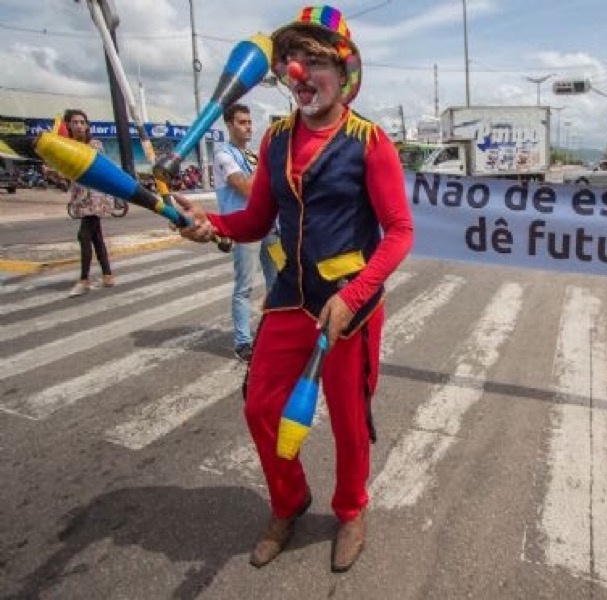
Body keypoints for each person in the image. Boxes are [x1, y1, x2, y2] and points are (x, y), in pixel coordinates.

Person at [175, 5, 413, 573]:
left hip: (349, 305)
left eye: (315, 60)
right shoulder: (278, 139)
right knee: (260, 406)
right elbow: (255, 220)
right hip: (289, 296)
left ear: (345, 70)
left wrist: (354, 297)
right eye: (292, 60)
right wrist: (211, 225)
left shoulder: (369, 140)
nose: (300, 71)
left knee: (351, 421)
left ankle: (351, 510)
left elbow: (400, 232)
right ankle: (289, 500)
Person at [214, 102, 279, 361]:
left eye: (250, 122)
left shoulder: (251, 155)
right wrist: (266, 161)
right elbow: (247, 189)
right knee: (244, 287)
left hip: (270, 227)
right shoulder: (224, 155)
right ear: (229, 125)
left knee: (278, 283)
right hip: (245, 228)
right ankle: (243, 342)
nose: (248, 127)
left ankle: (273, 332)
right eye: (242, 122)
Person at [63, 109, 115, 297]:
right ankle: (108, 274)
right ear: (68, 125)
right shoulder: (66, 145)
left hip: (96, 197)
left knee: (83, 235)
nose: (78, 125)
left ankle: (84, 280)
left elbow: (94, 167)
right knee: (96, 237)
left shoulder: (95, 145)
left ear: (87, 125)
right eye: (74, 122)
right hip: (80, 197)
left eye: (82, 122)